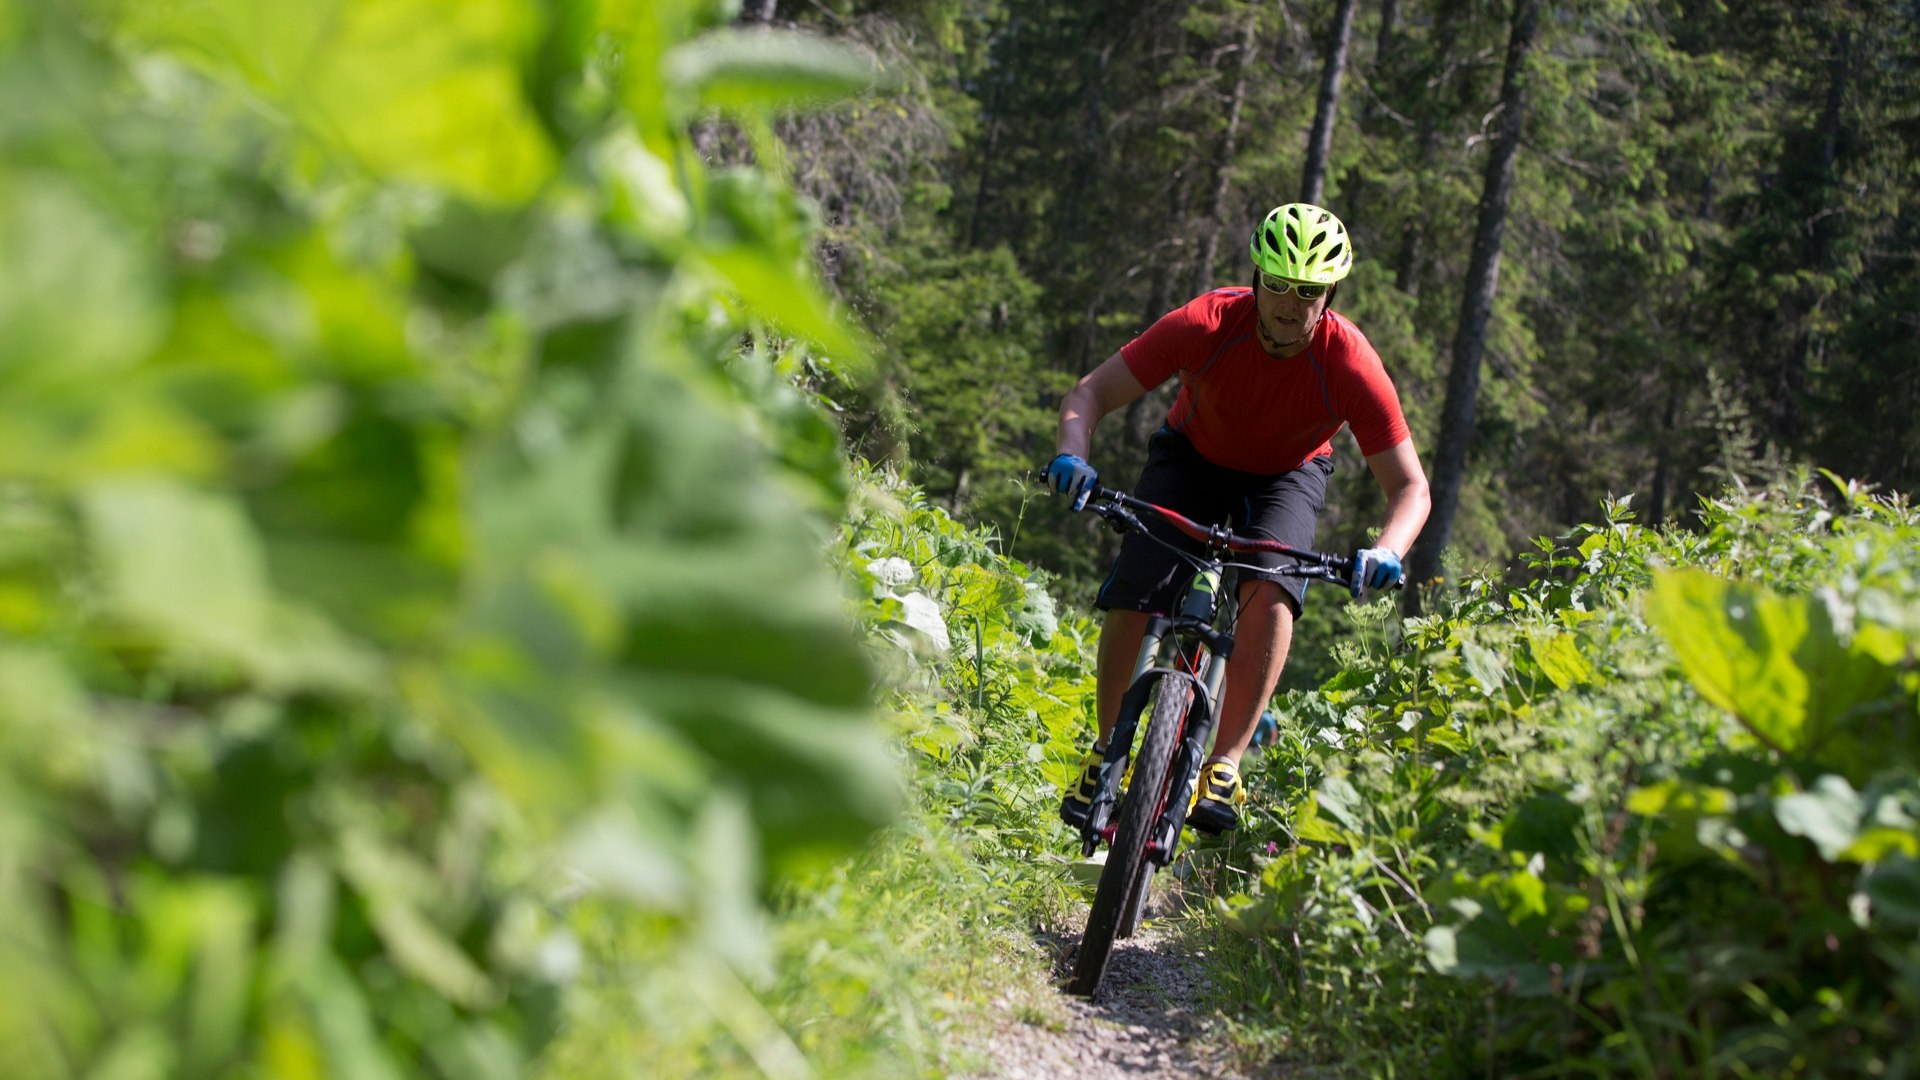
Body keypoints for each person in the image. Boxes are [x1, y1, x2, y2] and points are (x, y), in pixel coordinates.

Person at [1046, 203, 1431, 833]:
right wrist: (1073, 454)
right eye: (1277, 285)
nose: (1288, 304)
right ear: (1255, 279)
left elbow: (1410, 488)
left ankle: (1224, 763)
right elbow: (1089, 393)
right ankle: (1107, 747)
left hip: (1287, 475)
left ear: (1328, 295)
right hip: (1192, 458)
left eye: (1307, 292)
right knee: (1138, 589)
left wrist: (1388, 549)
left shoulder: (1350, 362)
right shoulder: (1208, 322)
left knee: (1272, 591)